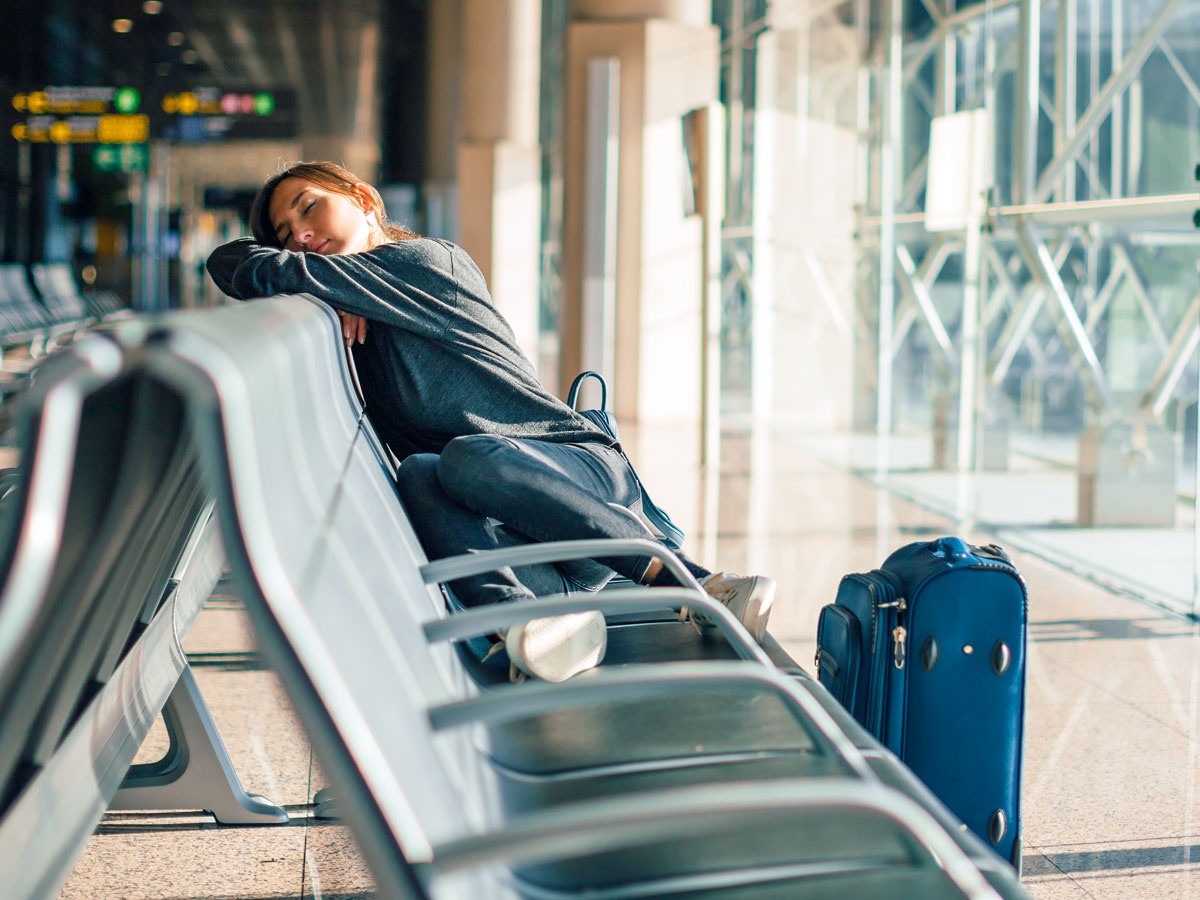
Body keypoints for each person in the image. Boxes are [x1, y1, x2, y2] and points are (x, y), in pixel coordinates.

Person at [206, 161, 776, 682]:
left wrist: (320, 279)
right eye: (286, 234)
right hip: (531, 549)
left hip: (582, 479)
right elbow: (228, 262)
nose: (302, 236)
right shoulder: (357, 291)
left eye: (309, 208)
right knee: (420, 472)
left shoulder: (428, 263)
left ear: (364, 199)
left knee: (466, 454)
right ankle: (531, 627)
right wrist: (331, 287)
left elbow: (260, 272)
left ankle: (693, 583)